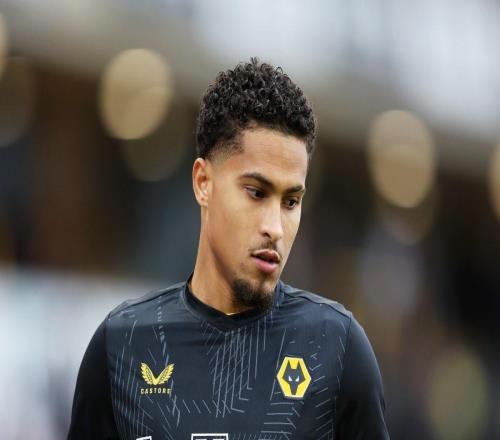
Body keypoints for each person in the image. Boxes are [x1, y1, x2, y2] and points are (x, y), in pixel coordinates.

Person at [68, 58, 389, 439]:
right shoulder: (122, 345)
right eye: (256, 192)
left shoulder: (336, 349)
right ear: (203, 182)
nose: (275, 228)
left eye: (291, 201)